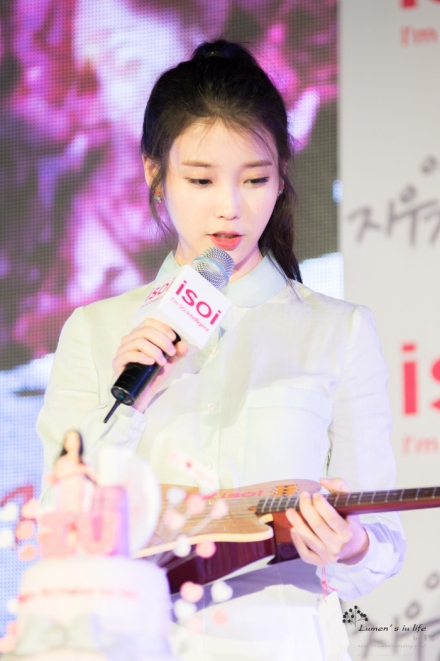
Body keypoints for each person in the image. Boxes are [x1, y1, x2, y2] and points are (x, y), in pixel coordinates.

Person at [37, 40, 405, 661]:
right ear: (155, 173)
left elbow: (384, 541)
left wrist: (350, 547)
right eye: (201, 180)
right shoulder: (96, 331)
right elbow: (58, 525)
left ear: (282, 176)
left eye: (255, 179)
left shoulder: (338, 331)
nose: (230, 207)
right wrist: (130, 404)